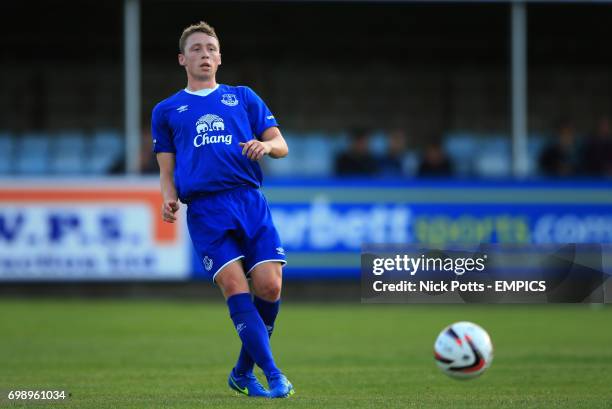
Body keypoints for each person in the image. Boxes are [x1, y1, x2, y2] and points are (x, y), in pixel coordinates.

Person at [151, 21, 293, 398]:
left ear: (220, 58)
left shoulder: (242, 97)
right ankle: (275, 373)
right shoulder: (166, 110)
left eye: (211, 49)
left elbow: (281, 144)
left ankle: (241, 373)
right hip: (205, 210)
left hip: (249, 200)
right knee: (235, 285)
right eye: (196, 49)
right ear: (183, 58)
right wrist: (168, 197)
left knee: (269, 285)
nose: (205, 55)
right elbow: (167, 169)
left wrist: (266, 148)